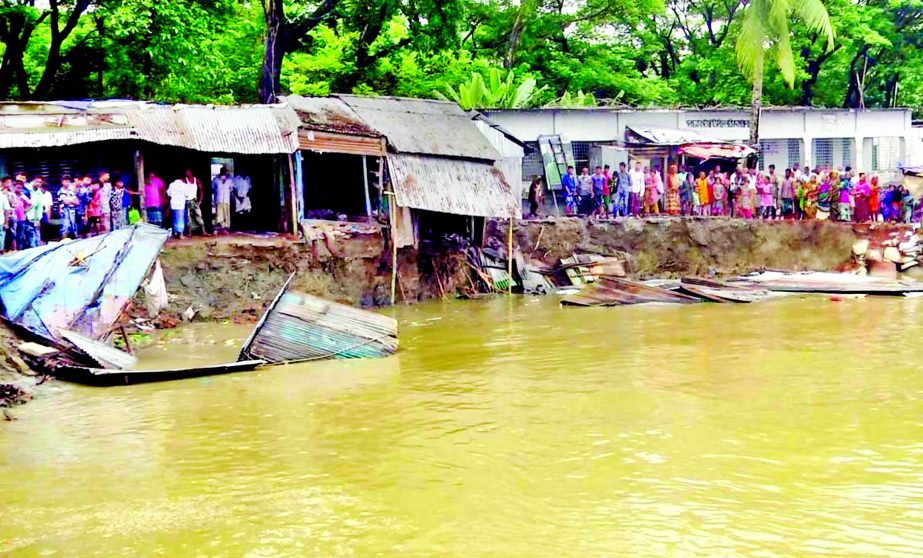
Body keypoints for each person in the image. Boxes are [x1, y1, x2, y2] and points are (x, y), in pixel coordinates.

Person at [183, 169, 206, 235]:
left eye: (188, 172)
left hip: (194, 200)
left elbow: (201, 191)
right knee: (188, 217)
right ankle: (190, 233)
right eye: (186, 172)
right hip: (187, 200)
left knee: (199, 215)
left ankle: (203, 231)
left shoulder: (196, 180)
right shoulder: (185, 180)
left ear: (191, 172)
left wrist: (200, 200)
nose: (187, 173)